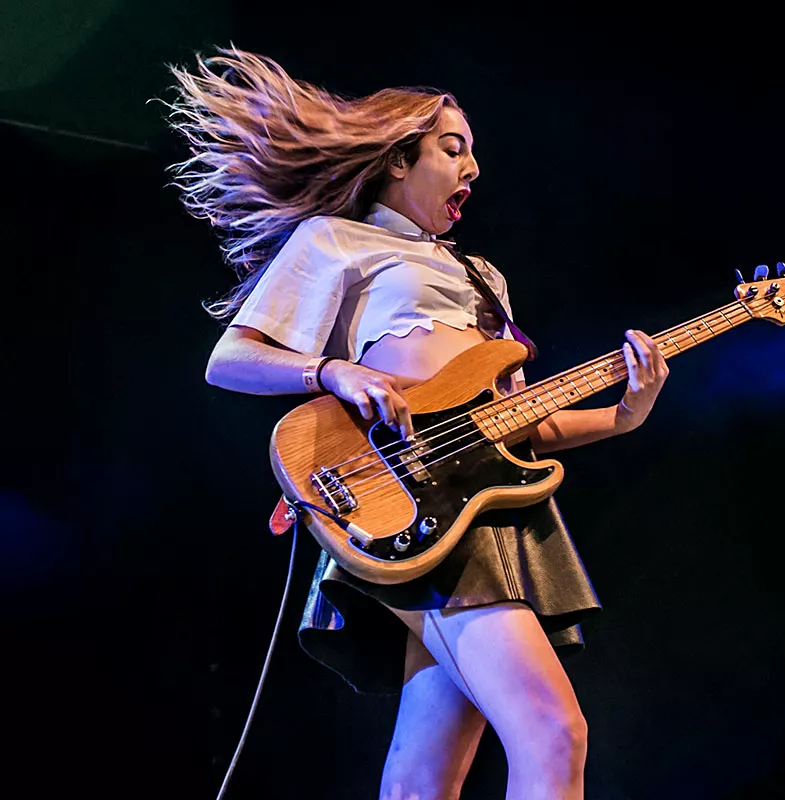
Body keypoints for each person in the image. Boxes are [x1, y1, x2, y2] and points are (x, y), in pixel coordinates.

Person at [163, 47, 668, 800]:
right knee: (552, 732)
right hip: (402, 498)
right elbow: (230, 358)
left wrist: (623, 415)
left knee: (421, 779)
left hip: (484, 506)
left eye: (473, 154)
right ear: (400, 159)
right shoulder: (337, 240)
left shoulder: (484, 278)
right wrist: (334, 371)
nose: (472, 168)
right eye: (453, 149)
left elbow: (517, 427)